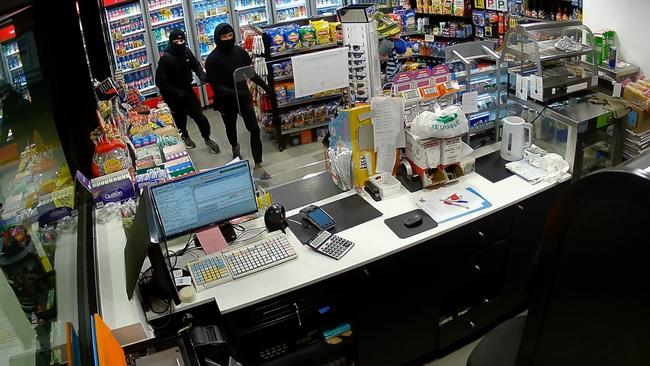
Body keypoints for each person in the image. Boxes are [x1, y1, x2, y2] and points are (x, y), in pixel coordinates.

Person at [205, 23, 273, 180]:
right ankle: (235, 148)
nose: (228, 39)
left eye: (230, 36)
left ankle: (258, 164)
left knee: (254, 129)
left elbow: (251, 73)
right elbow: (216, 87)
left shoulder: (240, 52)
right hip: (225, 101)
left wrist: (265, 87)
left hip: (243, 97)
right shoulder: (212, 60)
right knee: (230, 127)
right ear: (217, 38)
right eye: (224, 37)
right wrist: (235, 93)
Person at [155, 29, 220, 153]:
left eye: (182, 40)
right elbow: (160, 82)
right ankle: (184, 136)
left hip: (187, 90)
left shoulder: (187, 52)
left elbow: (195, 65)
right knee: (180, 119)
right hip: (173, 95)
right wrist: (176, 92)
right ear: (171, 42)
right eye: (176, 41)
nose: (179, 43)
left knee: (199, 116)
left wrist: (202, 76)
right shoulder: (166, 59)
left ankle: (207, 137)